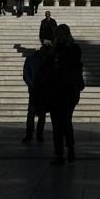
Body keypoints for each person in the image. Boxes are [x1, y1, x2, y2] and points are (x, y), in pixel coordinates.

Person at [43, 24, 84, 165]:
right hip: (54, 91)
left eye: (62, 34)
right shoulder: (53, 50)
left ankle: (70, 146)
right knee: (56, 124)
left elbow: (73, 64)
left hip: (69, 91)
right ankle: (58, 154)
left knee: (66, 121)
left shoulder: (74, 48)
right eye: (57, 34)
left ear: (67, 35)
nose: (59, 37)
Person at [22, 46, 48, 143]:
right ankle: (30, 134)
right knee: (32, 113)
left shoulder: (47, 60)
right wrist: (33, 85)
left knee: (41, 114)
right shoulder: (31, 59)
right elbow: (26, 74)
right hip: (34, 90)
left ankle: (39, 134)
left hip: (43, 90)